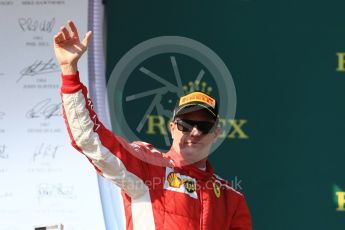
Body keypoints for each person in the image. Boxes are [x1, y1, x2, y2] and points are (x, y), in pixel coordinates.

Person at [54, 20, 252, 230]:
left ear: (216, 134)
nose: (194, 132)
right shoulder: (147, 166)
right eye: (186, 124)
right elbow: (89, 139)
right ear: (172, 127)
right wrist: (69, 73)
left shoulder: (231, 197)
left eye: (204, 126)